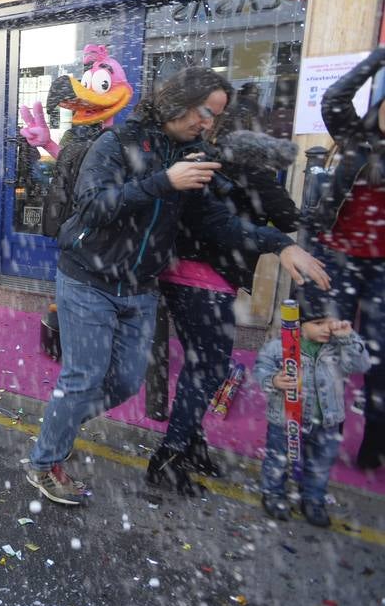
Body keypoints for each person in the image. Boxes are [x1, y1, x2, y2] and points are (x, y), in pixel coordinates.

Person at [26, 67, 330, 507]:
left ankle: (61, 424)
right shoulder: (117, 143)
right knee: (83, 377)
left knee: (127, 382)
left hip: (140, 286)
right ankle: (45, 462)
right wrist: (162, 182)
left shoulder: (194, 155)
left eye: (215, 117)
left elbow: (215, 222)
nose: (207, 124)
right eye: (206, 112)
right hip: (87, 277)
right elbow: (91, 207)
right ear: (177, 102)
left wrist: (280, 244)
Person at [148, 110, 300, 494]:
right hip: (209, 281)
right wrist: (264, 177)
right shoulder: (244, 173)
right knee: (209, 371)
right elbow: (287, 217)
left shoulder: (205, 162)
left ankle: (191, 442)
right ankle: (169, 456)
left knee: (200, 367)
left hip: (179, 274)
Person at [302, 47, 385, 469]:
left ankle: (373, 444)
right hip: (338, 258)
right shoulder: (360, 138)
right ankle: (321, 441)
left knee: (378, 358)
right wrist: (380, 57)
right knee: (328, 349)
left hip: (381, 271)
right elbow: (334, 96)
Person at [253, 288, 368, 526]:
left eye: (332, 321)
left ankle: (313, 499)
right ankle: (273, 494)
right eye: (318, 323)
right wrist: (274, 380)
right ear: (299, 323)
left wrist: (349, 337)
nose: (328, 328)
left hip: (327, 421)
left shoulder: (338, 345)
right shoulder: (279, 346)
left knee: (320, 464)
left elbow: (361, 364)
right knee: (278, 459)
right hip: (285, 418)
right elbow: (260, 368)